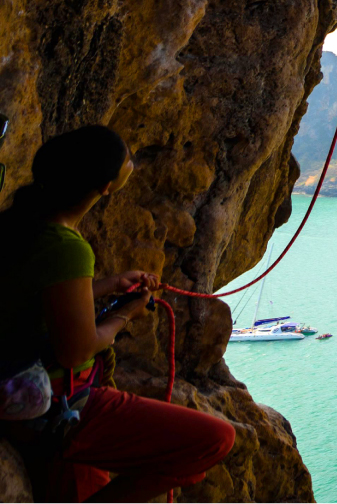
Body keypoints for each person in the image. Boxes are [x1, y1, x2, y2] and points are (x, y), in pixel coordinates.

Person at [0, 126, 235, 501]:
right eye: (127, 158)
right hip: (56, 405)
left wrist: (109, 285)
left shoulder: (18, 225)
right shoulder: (66, 247)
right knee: (213, 441)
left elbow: (35, 298)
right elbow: (76, 351)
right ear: (107, 187)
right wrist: (127, 314)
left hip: (25, 392)